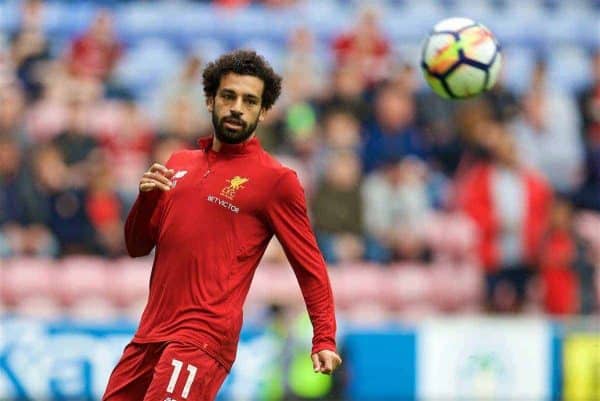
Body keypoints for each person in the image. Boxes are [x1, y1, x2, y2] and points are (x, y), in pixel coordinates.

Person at [102, 50, 341, 401]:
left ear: (262, 112)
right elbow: (136, 246)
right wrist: (146, 200)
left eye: (249, 101)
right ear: (211, 100)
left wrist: (324, 336)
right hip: (148, 335)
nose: (236, 108)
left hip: (201, 340)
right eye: (228, 96)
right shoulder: (178, 164)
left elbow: (310, 265)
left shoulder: (276, 180)